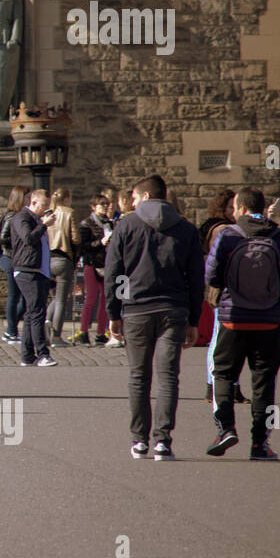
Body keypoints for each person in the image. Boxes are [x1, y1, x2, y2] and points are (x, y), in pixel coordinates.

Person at [204, 188, 280, 461]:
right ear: (263, 208)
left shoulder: (228, 236)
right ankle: (260, 444)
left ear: (240, 208)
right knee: (264, 383)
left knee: (224, 375)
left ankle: (225, 428)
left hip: (233, 320)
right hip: (268, 323)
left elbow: (211, 274)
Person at [103, 175, 204, 461]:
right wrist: (194, 319)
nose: (132, 202)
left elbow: (113, 272)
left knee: (139, 376)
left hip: (136, 309)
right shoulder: (186, 229)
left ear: (146, 196)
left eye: (134, 197)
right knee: (168, 376)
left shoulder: (126, 225)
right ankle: (163, 440)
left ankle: (139, 440)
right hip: (174, 309)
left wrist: (113, 312)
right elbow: (196, 278)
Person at [10, 188, 59, 369]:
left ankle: (27, 355)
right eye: (43, 206)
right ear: (33, 202)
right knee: (38, 312)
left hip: (38, 270)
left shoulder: (36, 219)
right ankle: (43, 354)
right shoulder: (22, 217)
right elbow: (28, 239)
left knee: (32, 313)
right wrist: (44, 225)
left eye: (48, 206)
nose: (46, 209)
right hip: (27, 270)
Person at [197, 190, 238, 398]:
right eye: (230, 207)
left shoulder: (220, 227)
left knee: (231, 340)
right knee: (218, 337)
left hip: (224, 288)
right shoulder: (222, 229)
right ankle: (212, 384)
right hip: (221, 288)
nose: (233, 212)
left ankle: (230, 385)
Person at [0, 185, 30, 345]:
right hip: (10, 259)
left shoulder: (22, 216)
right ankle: (10, 331)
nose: (29, 200)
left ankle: (11, 328)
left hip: (19, 260)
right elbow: (3, 238)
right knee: (14, 296)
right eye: (27, 197)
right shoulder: (12, 217)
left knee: (24, 298)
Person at [73, 195, 113, 346]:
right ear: (93, 206)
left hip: (106, 264)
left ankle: (101, 332)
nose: (104, 207)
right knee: (90, 298)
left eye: (106, 204)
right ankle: (83, 331)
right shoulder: (86, 224)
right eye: (101, 204)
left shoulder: (109, 223)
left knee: (105, 299)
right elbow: (84, 246)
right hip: (91, 263)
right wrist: (100, 242)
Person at [44, 188, 80, 347]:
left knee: (53, 297)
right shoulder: (69, 212)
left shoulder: (47, 213)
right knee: (61, 300)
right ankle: (56, 336)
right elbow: (76, 239)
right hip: (63, 258)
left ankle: (46, 321)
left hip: (47, 259)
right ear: (66, 198)